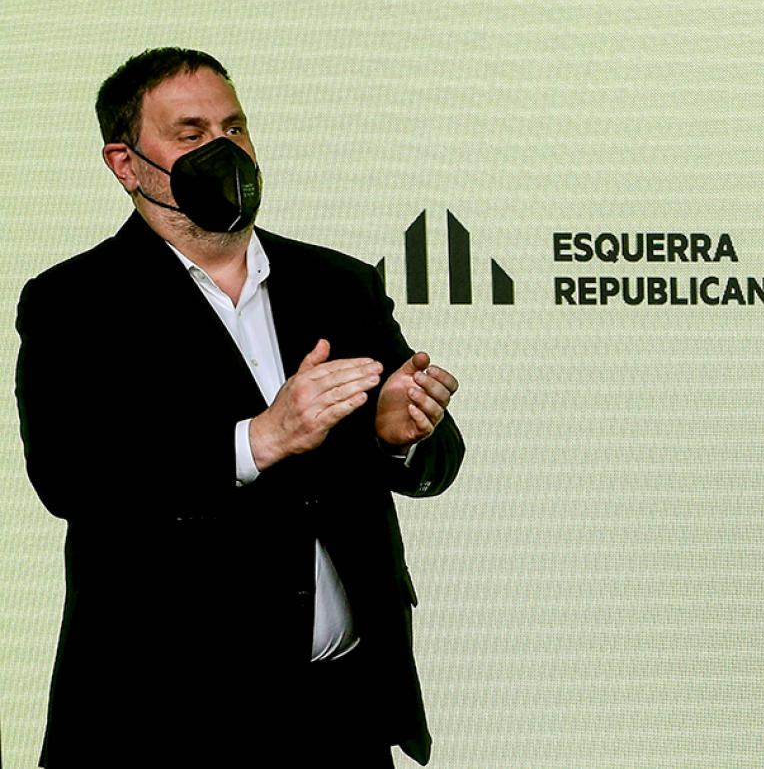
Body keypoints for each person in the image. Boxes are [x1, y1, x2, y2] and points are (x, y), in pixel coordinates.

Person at [15, 48, 465, 768]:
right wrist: (257, 440)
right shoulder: (74, 302)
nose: (223, 150)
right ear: (126, 164)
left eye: (234, 127)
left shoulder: (338, 283)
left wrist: (396, 436)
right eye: (190, 134)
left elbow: (432, 455)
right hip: (166, 726)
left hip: (341, 719)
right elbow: (73, 478)